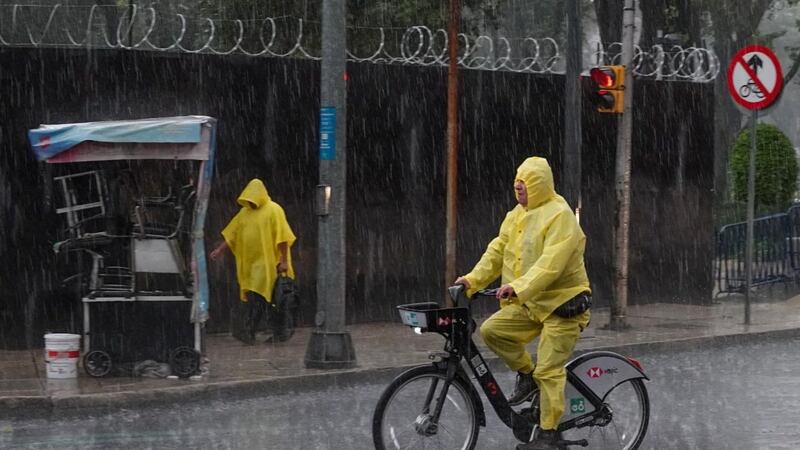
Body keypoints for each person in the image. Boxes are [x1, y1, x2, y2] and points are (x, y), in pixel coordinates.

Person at [454, 157, 592, 450]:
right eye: (517, 185)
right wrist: (471, 281)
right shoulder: (516, 215)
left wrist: (517, 287)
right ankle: (527, 376)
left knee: (549, 370)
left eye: (525, 185)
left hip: (563, 305)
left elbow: (550, 265)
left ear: (540, 185)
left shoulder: (560, 216)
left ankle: (549, 434)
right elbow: (497, 250)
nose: (519, 190)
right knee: (493, 331)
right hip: (531, 302)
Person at [210, 178, 297, 345]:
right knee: (260, 299)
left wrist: (284, 260)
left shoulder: (274, 210)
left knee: (272, 300)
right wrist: (220, 250)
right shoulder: (244, 212)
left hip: (271, 264)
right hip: (252, 266)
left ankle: (258, 331)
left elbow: (283, 237)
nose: (251, 202)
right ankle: (257, 332)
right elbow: (233, 233)